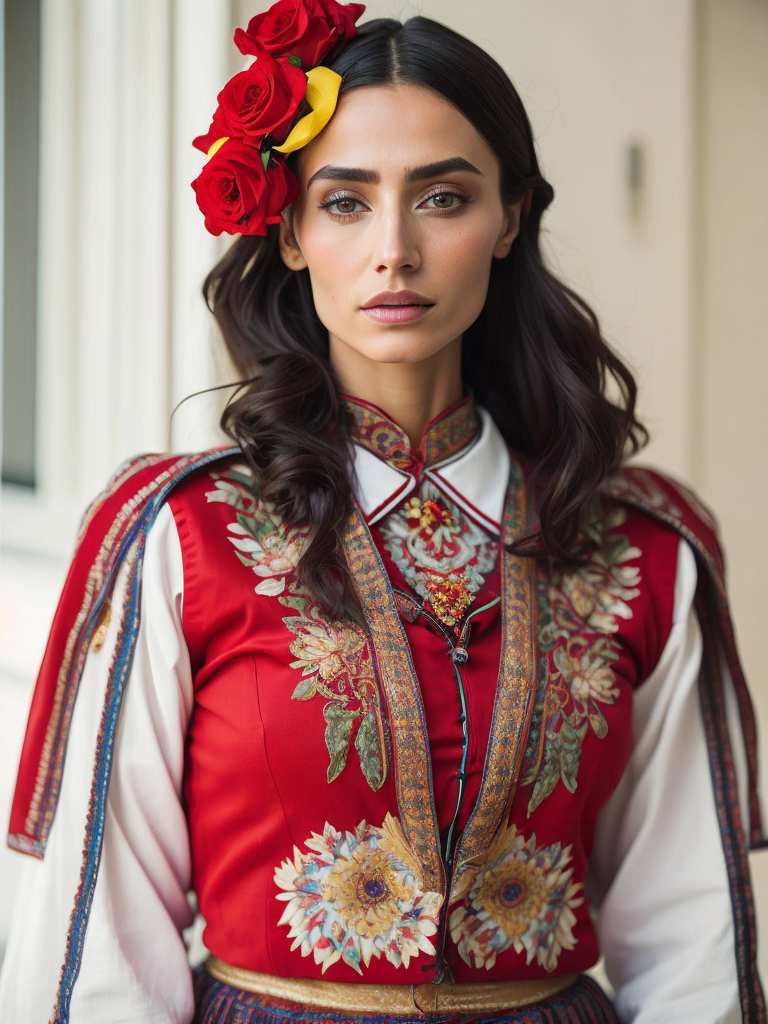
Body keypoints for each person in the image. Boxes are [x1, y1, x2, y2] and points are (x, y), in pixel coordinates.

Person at [0, 1, 764, 1022]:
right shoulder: (178, 538)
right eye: (348, 202)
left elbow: (696, 947)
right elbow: (97, 948)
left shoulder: (641, 546)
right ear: (291, 229)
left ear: (512, 218)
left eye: (443, 198)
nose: (394, 249)